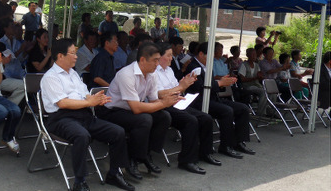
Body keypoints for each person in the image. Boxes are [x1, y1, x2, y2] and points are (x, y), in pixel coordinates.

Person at [40, 38, 134, 191]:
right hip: (61, 118)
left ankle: (114, 173)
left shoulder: (73, 74)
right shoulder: (50, 77)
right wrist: (89, 103)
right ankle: (80, 182)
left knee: (117, 132)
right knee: (81, 135)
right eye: (73, 53)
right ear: (60, 56)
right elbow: (63, 103)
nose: (76, 56)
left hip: (83, 114)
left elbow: (85, 95)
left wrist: (96, 99)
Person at [99, 42, 181, 179]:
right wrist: (164, 103)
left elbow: (153, 101)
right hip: (112, 111)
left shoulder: (152, 74)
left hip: (131, 110)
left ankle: (146, 154)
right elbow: (136, 108)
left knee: (164, 116)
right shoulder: (126, 74)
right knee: (144, 119)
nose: (157, 64)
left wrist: (170, 100)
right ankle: (133, 159)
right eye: (155, 60)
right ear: (142, 59)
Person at [154, 42, 220, 173]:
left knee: (206, 118)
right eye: (168, 55)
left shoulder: (169, 70)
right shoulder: (154, 72)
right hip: (163, 106)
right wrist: (180, 87)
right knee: (191, 121)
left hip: (177, 101)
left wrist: (185, 83)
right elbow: (159, 94)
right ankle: (187, 160)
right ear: (159, 57)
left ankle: (205, 153)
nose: (171, 58)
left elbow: (178, 89)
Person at [185, 42, 255, 158]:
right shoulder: (193, 66)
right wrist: (220, 83)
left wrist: (223, 82)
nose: (212, 59)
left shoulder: (207, 66)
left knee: (243, 108)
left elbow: (212, 85)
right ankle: (225, 146)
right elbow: (199, 87)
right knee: (227, 111)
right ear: (201, 54)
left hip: (213, 98)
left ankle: (239, 142)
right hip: (199, 101)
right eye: (210, 56)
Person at [0, 18, 33, 105]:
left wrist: (25, 51)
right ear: (5, 28)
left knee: (31, 82)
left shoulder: (17, 42)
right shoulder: (1, 42)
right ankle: (10, 104)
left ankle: (12, 104)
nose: (14, 29)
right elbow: (10, 57)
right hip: (7, 74)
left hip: (18, 71)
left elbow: (20, 59)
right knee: (23, 86)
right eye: (11, 26)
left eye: (14, 26)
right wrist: (21, 49)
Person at [238, 48, 269, 116]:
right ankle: (261, 113)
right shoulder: (244, 65)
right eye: (252, 54)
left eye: (255, 54)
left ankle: (270, 111)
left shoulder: (256, 65)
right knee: (263, 92)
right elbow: (242, 79)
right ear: (247, 55)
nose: (254, 56)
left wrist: (261, 77)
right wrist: (255, 78)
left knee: (271, 92)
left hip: (256, 85)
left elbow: (259, 75)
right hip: (247, 86)